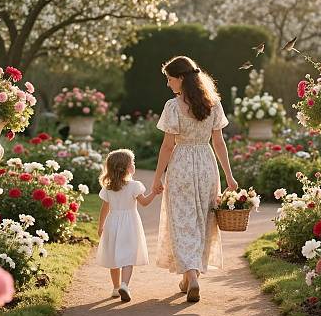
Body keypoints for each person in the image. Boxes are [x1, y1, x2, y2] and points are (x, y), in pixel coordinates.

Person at [153, 56, 238, 302]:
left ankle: (190, 276)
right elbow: (219, 142)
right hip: (206, 165)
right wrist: (229, 176)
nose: (168, 84)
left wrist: (157, 178)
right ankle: (192, 275)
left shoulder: (173, 106)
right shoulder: (213, 104)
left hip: (181, 166)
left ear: (180, 79)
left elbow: (167, 147)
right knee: (203, 219)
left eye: (170, 79)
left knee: (182, 221)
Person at [96, 149, 158, 302]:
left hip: (112, 223)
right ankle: (125, 284)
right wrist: (154, 193)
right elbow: (144, 203)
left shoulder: (108, 187)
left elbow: (104, 208)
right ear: (127, 168)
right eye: (133, 163)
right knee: (128, 256)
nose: (134, 165)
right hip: (130, 224)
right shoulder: (134, 186)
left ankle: (116, 287)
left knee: (113, 256)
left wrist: (100, 226)